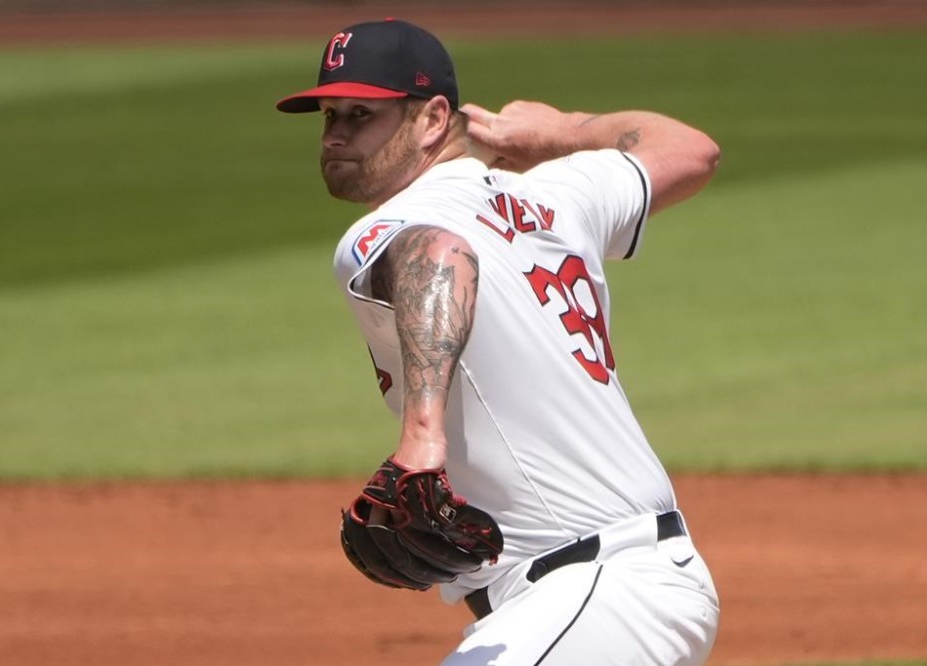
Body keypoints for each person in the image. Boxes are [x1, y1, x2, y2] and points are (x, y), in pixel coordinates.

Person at [277, 18, 721, 665]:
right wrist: (565, 134)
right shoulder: (554, 195)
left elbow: (441, 250)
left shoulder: (389, 226)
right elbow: (689, 150)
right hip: (602, 595)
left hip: (596, 591)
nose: (336, 136)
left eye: (361, 115)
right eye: (329, 117)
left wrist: (421, 440)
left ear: (433, 118)